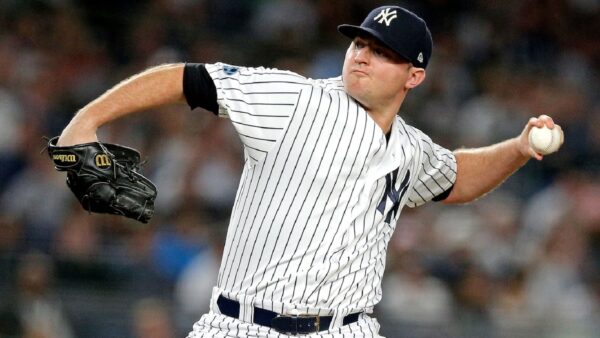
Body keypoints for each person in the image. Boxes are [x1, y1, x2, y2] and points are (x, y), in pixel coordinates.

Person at [54, 5, 563, 337]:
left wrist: (519, 147)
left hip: (348, 328)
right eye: (359, 44)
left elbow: (456, 176)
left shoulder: (410, 147)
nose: (362, 56)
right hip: (245, 326)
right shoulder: (296, 99)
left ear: (415, 75)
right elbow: (184, 78)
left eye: (381, 53)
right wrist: (85, 122)